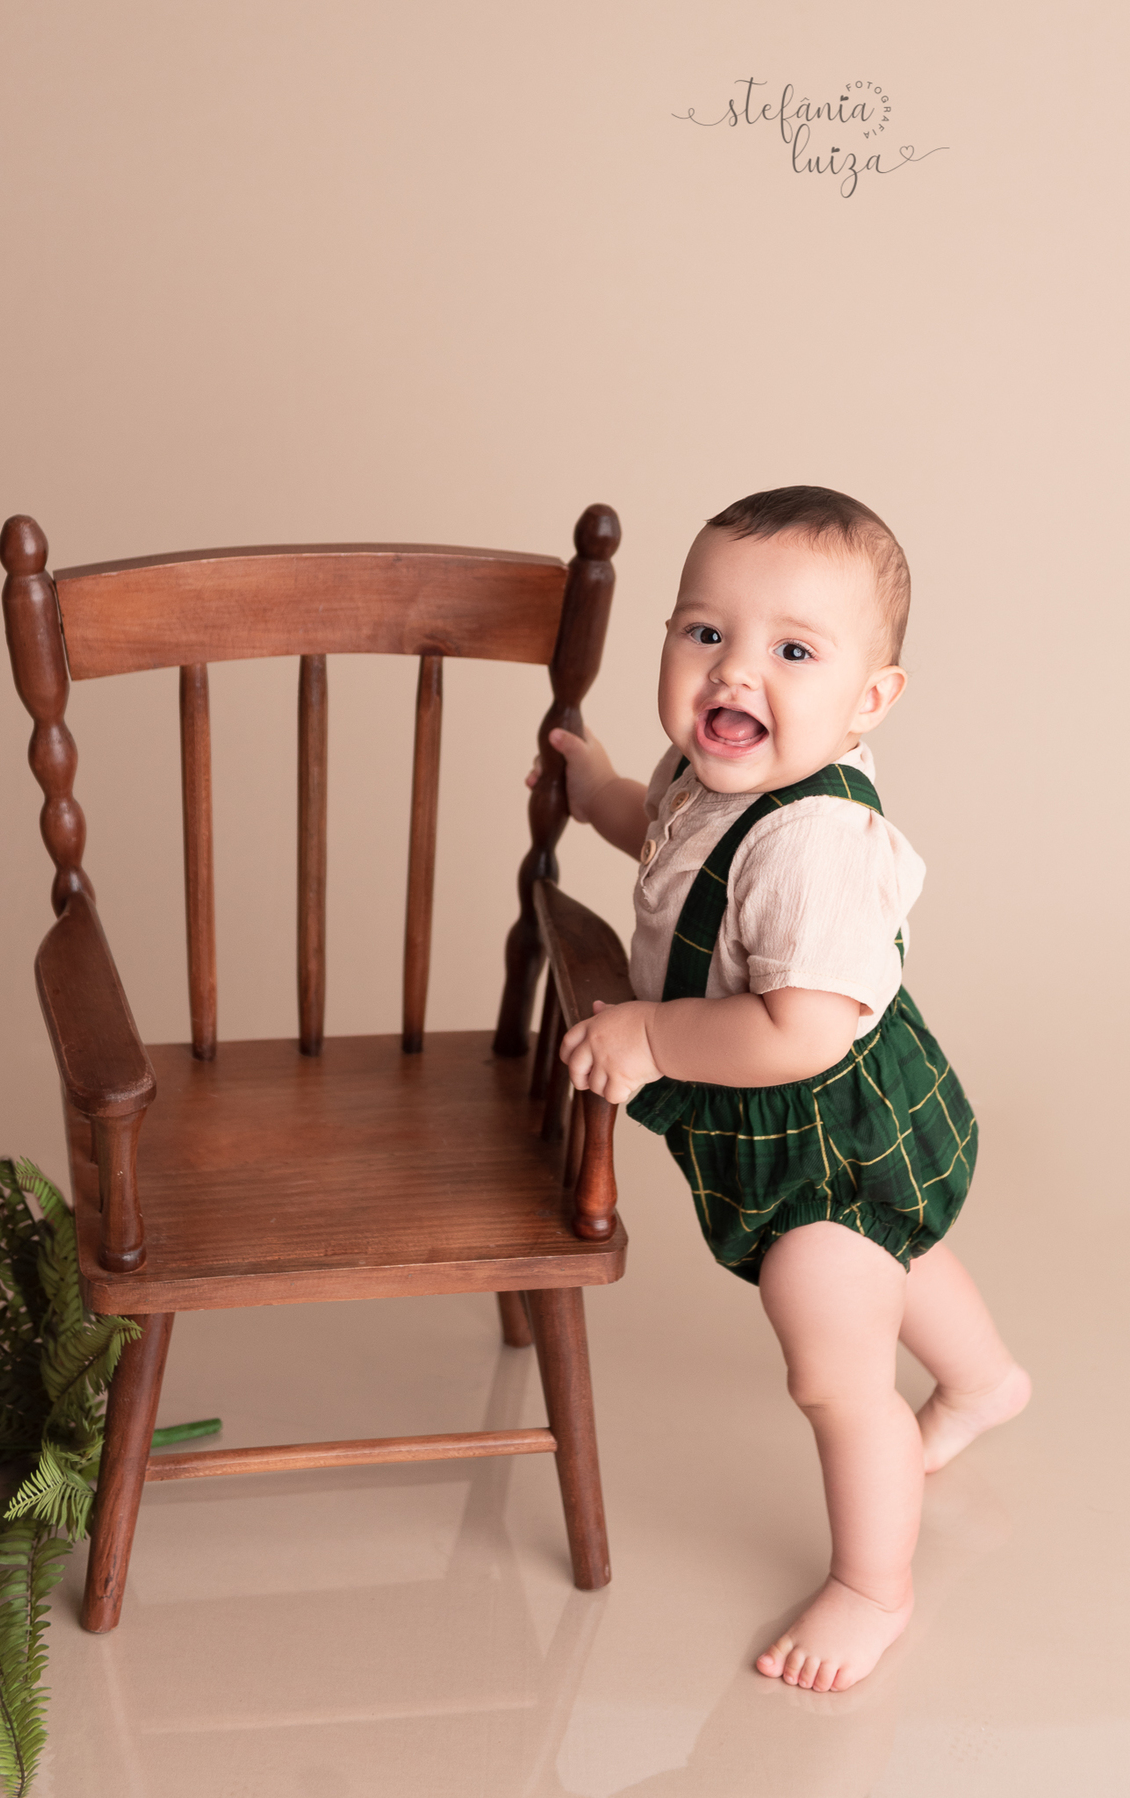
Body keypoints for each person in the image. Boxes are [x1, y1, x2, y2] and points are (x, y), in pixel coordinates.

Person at [535, 486, 1030, 1693]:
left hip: (823, 1131)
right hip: (815, 1109)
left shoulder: (816, 841)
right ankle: (985, 1382)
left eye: (794, 651)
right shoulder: (710, 768)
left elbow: (800, 1031)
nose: (734, 671)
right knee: (903, 1252)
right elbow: (668, 842)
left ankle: (872, 1584)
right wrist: (600, 791)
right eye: (705, 632)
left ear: (870, 699)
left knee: (834, 1366)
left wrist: (652, 1036)